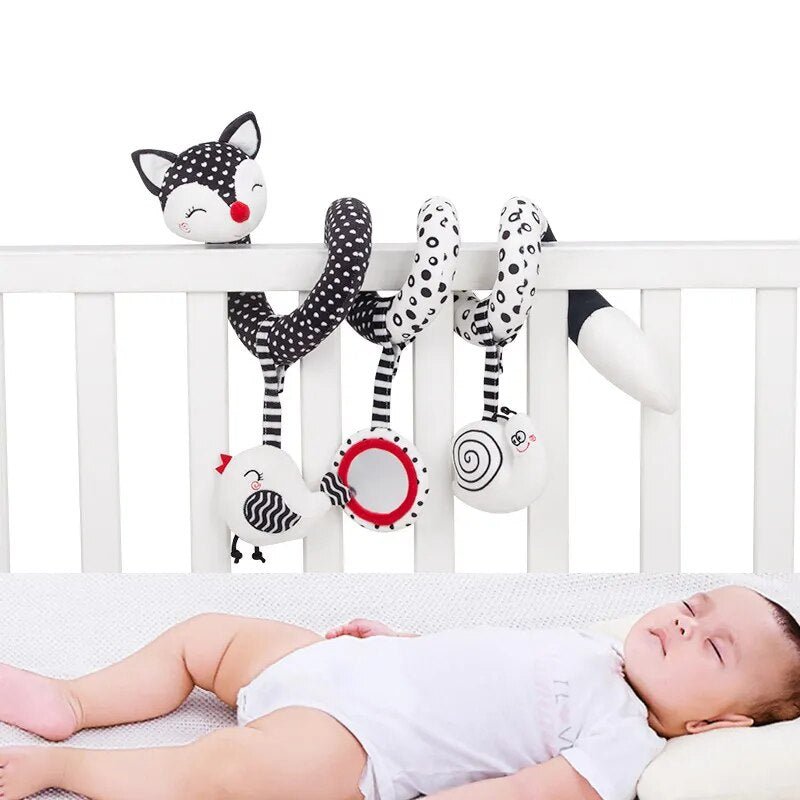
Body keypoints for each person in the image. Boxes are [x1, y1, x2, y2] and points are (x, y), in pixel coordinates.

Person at [0, 584, 798, 800]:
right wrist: (398, 643)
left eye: (714, 646)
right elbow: (481, 662)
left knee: (225, 769)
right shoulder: (599, 644)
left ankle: (60, 772)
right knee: (206, 634)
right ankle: (73, 700)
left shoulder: (628, 740)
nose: (684, 627)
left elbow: (526, 794)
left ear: (716, 722)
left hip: (358, 748)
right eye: (692, 608)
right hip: (335, 668)